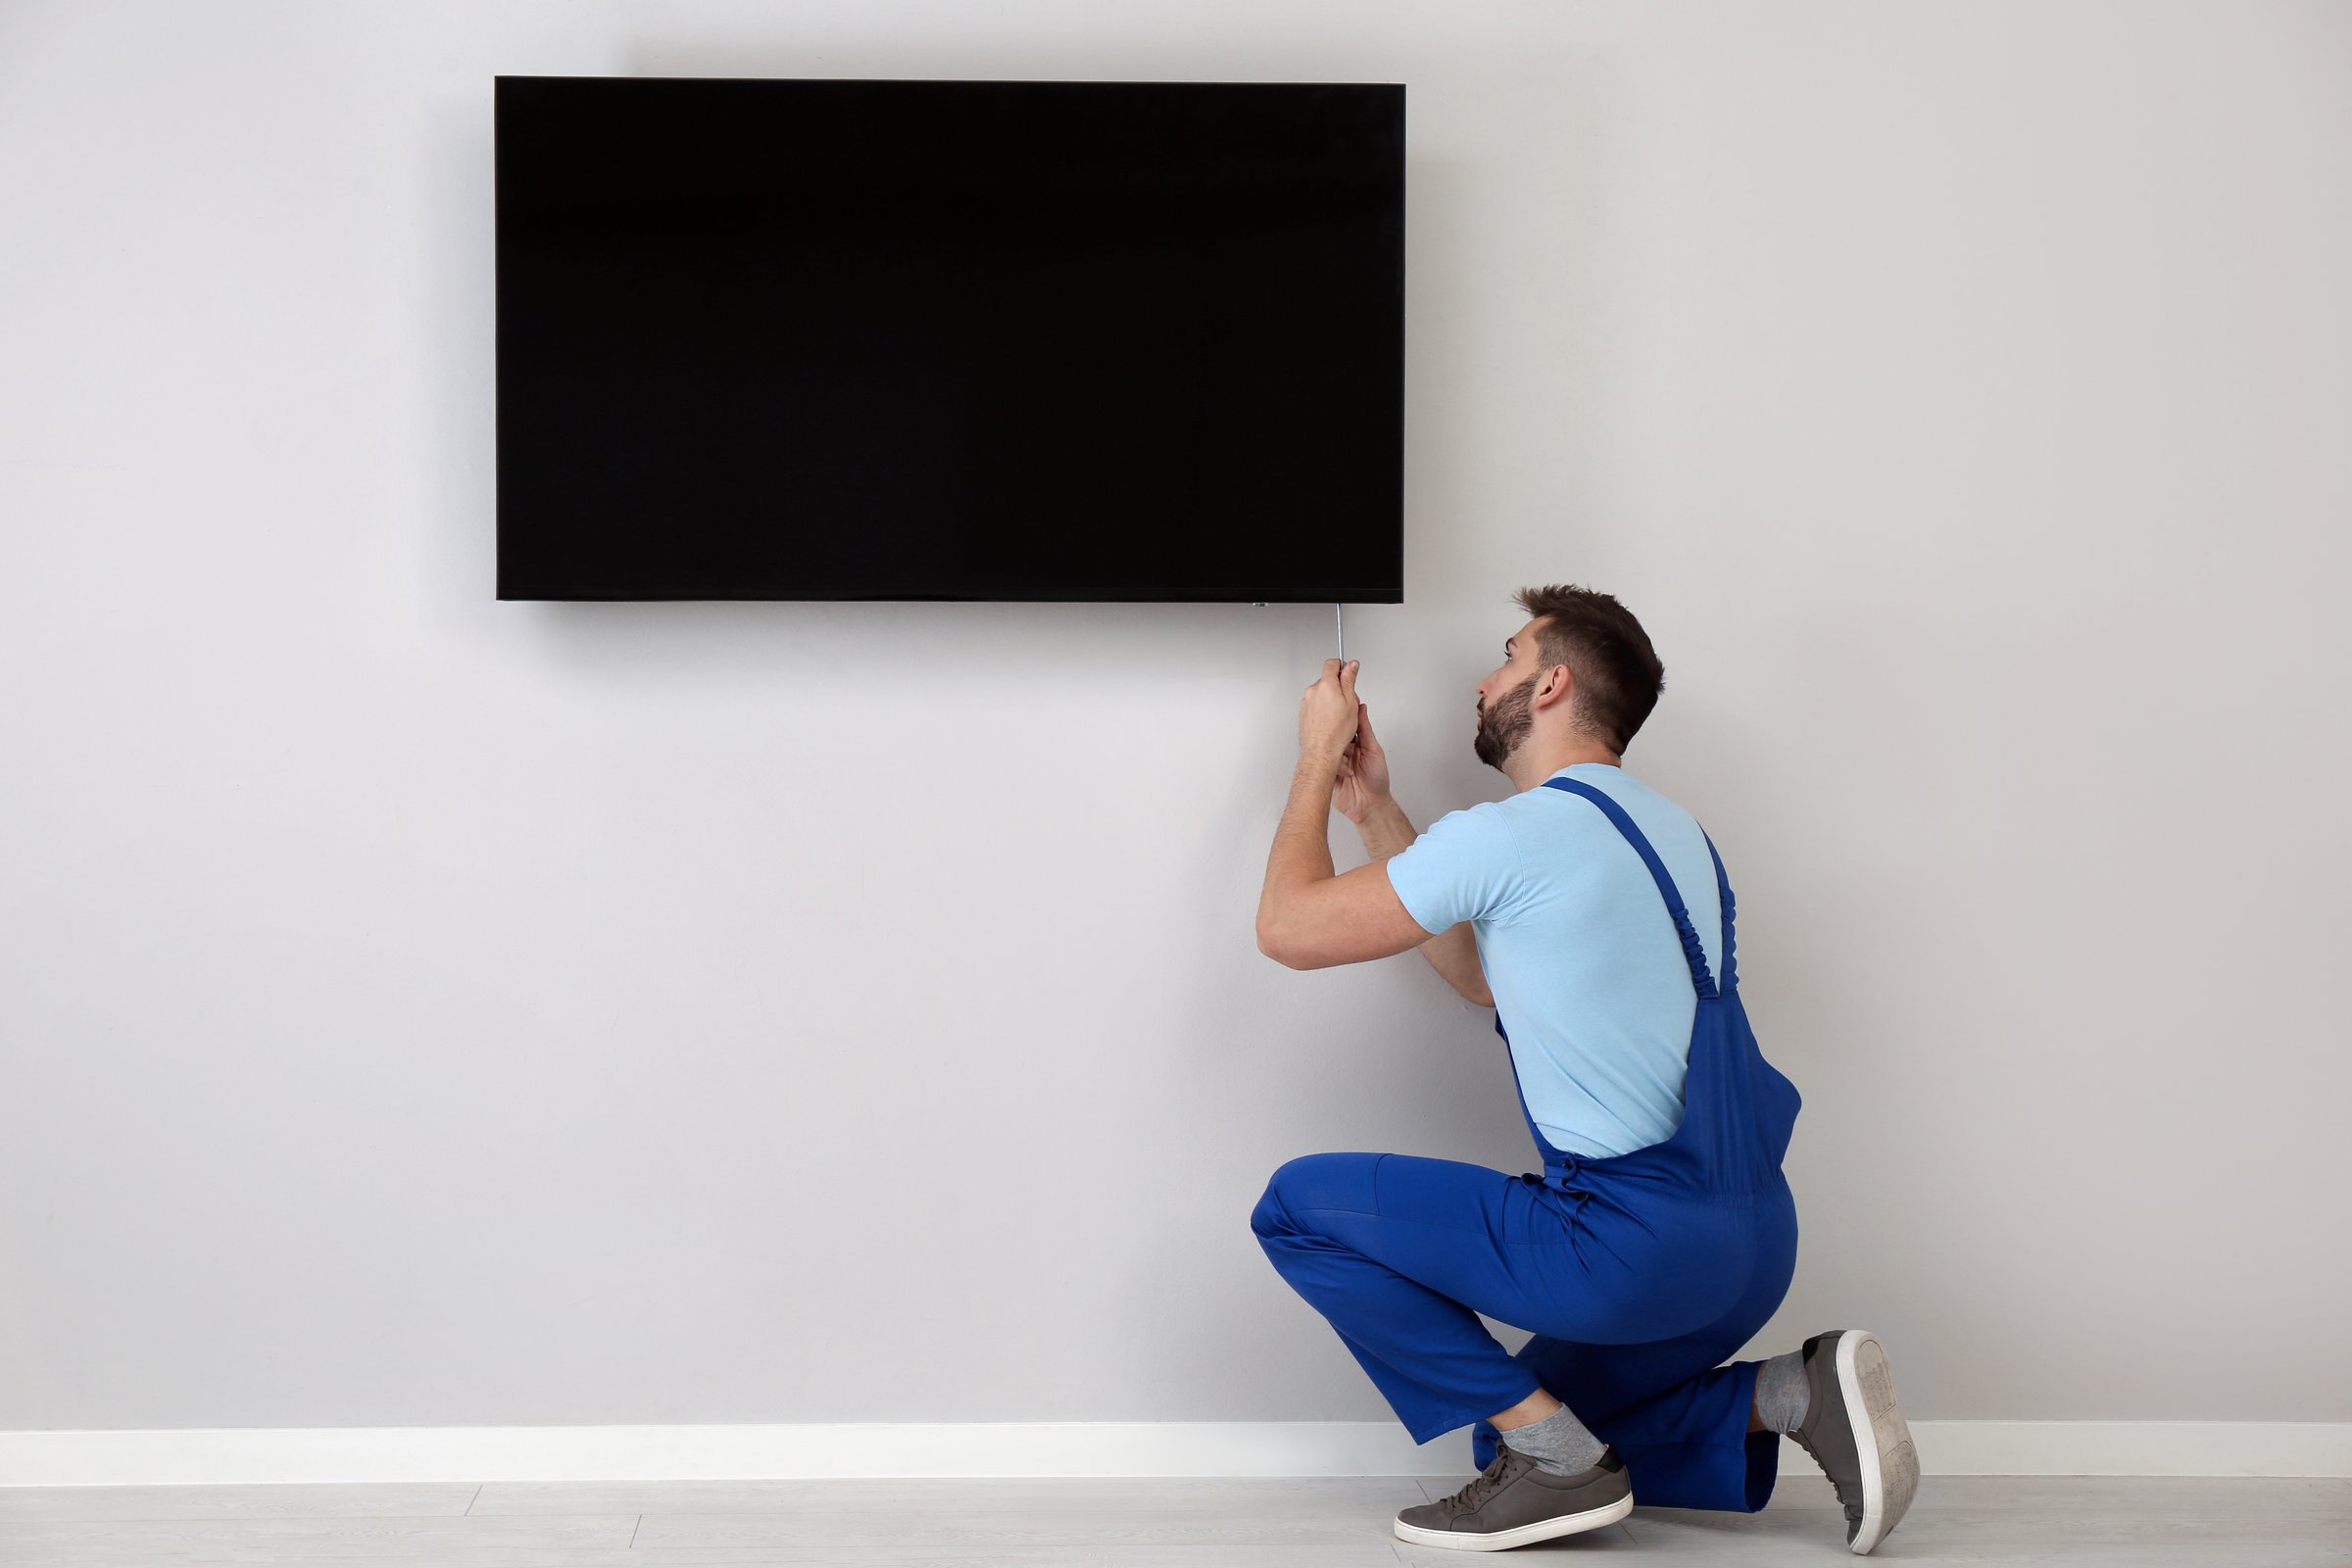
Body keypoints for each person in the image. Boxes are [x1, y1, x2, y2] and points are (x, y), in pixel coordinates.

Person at [1250, 583, 1919, 1553]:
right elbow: (1487, 978)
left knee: (1297, 1207)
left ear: (1553, 683)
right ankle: (1786, 1393)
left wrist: (1316, 754)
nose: (1485, 681)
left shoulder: (1510, 836)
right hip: (1753, 1242)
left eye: (1508, 657)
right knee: (1514, 1425)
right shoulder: (1677, 833)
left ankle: (1561, 1466)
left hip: (1628, 1250)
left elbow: (1287, 928)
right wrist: (1377, 809)